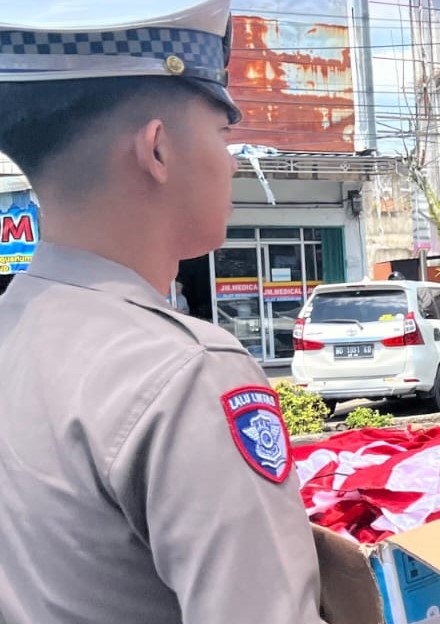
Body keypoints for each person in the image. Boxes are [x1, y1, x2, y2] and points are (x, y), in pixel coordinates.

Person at [0, 3, 326, 622]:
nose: (231, 163)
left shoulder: (14, 327)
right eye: (223, 134)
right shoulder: (188, 373)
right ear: (157, 150)